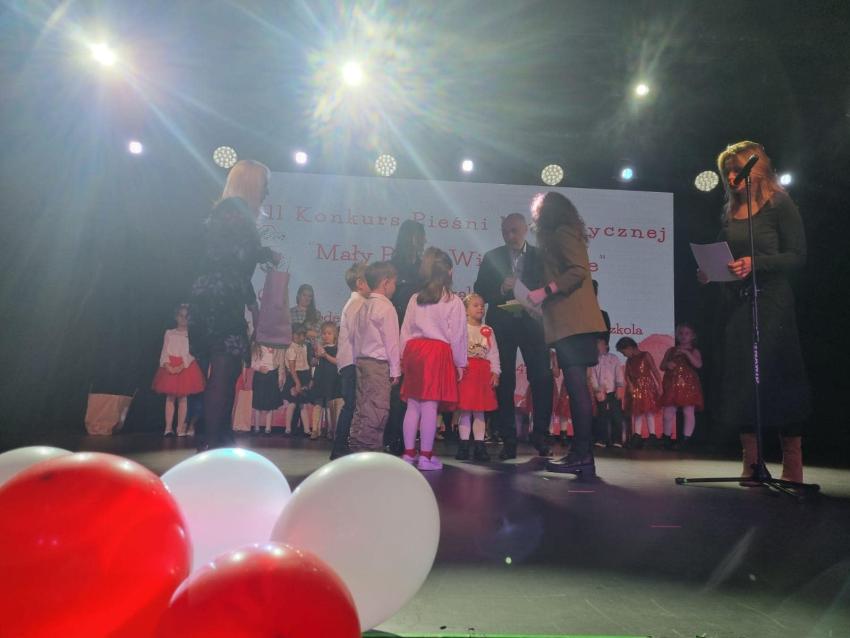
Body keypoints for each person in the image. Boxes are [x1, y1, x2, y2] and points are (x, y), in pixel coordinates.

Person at [700, 141, 811, 483]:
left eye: (737, 170)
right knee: (741, 379)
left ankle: (792, 461)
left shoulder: (780, 204)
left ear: (756, 168)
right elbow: (721, 252)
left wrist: (755, 263)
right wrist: (710, 271)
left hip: (772, 301)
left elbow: (797, 255)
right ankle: (751, 460)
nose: (732, 177)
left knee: (780, 375)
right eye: (727, 172)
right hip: (737, 303)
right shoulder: (730, 211)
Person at [188, 159, 280, 450]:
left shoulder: (224, 212)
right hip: (221, 301)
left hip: (211, 298)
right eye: (264, 185)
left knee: (223, 373)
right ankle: (214, 441)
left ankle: (215, 438)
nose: (267, 192)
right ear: (253, 185)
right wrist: (265, 254)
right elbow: (234, 259)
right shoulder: (236, 212)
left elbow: (228, 263)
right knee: (224, 372)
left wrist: (251, 301)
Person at [524, 192, 607, 476]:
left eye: (538, 211)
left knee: (577, 387)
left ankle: (583, 454)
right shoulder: (560, 234)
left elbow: (578, 271)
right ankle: (581, 453)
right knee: (575, 387)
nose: (535, 217)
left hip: (575, 323)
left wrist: (544, 291)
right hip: (568, 323)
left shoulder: (562, 233)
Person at [474, 213, 553, 460]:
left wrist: (534, 296)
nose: (510, 236)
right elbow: (479, 289)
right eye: (505, 232)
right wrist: (500, 288)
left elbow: (552, 287)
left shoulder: (541, 256)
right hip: (503, 324)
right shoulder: (492, 256)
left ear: (525, 229)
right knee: (504, 381)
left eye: (514, 231)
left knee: (542, 378)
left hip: (534, 324)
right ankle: (508, 439)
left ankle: (540, 435)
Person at [399, 248, 468, 470]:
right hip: (436, 354)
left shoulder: (415, 298)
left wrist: (402, 358)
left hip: (414, 351)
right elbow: (457, 335)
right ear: (448, 272)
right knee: (429, 406)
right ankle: (426, 456)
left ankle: (409, 453)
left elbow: (405, 331)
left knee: (413, 405)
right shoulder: (453, 301)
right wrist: (460, 363)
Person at [348, 261, 401, 452]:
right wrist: (395, 369)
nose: (395, 287)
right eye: (394, 283)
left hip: (362, 361)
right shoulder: (386, 308)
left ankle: (357, 443)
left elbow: (355, 336)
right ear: (385, 283)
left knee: (362, 406)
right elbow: (392, 342)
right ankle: (369, 448)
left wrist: (357, 359)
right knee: (378, 407)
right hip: (378, 364)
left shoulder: (364, 305)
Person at [386, 220, 427, 453]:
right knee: (395, 385)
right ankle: (393, 437)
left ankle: (407, 438)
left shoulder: (423, 268)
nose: (423, 241)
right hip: (396, 330)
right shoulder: (392, 266)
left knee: (412, 388)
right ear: (410, 237)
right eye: (420, 236)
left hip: (418, 333)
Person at [331, 263, 370, 459]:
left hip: (350, 360)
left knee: (352, 404)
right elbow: (357, 333)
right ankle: (340, 446)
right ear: (360, 283)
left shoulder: (357, 302)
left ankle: (343, 444)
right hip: (352, 361)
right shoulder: (357, 303)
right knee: (351, 404)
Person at [454, 293, 499, 461]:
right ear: (465, 310)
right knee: (465, 410)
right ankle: (464, 445)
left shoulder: (488, 330)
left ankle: (480, 446)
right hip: (467, 372)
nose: (480, 308)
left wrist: (496, 372)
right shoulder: (462, 328)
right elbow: (457, 350)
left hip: (483, 373)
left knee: (480, 411)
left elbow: (493, 353)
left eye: (482, 305)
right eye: (475, 305)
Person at [151, 303, 206, 436]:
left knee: (183, 398)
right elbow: (164, 351)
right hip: (170, 365)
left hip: (185, 367)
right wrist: (167, 365)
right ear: (176, 317)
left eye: (186, 317)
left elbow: (192, 353)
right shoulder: (169, 333)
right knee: (170, 398)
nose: (183, 319)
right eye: (181, 316)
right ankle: (168, 428)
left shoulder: (191, 334)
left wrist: (181, 366)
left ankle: (180, 428)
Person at [659, 323, 703, 450]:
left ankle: (686, 439)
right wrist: (668, 364)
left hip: (688, 385)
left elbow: (698, 364)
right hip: (672, 384)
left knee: (688, 411)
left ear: (693, 336)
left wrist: (686, 353)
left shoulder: (694, 351)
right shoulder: (671, 350)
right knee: (668, 411)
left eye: (687, 333)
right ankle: (666, 437)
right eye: (681, 333)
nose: (684, 336)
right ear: (677, 335)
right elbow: (662, 366)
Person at [616, 337, 662, 448]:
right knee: (637, 412)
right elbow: (627, 375)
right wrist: (631, 385)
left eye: (624, 352)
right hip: (635, 388)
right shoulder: (629, 361)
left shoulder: (645, 355)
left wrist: (660, 385)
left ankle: (652, 435)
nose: (624, 355)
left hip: (647, 388)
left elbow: (654, 370)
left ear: (629, 348)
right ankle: (637, 435)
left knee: (649, 411)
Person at [588, 336, 626, 448]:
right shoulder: (593, 360)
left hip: (613, 391)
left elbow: (619, 373)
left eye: (600, 344)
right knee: (602, 416)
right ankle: (601, 439)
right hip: (601, 391)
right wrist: (597, 390)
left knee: (616, 415)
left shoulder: (614, 358)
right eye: (597, 344)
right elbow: (592, 376)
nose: (598, 346)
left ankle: (617, 440)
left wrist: (619, 387)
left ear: (606, 346)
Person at [309, 321, 343, 440]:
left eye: (329, 333)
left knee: (330, 406)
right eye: (324, 333)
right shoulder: (320, 348)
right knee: (318, 404)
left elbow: (338, 362)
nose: (326, 336)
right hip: (320, 379)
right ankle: (315, 430)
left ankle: (330, 430)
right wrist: (315, 359)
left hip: (332, 380)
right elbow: (314, 363)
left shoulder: (337, 348)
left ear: (335, 335)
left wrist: (325, 356)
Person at [281, 324, 314, 436]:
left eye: (302, 335)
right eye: (296, 335)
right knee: (292, 404)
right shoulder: (291, 348)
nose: (300, 337)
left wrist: (310, 378)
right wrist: (297, 383)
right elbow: (292, 369)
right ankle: (288, 428)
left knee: (302, 405)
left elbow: (307, 364)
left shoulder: (305, 346)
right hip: (294, 376)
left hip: (304, 375)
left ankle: (306, 430)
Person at [249, 342, 285, 435]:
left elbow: (281, 363)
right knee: (258, 402)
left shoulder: (278, 345)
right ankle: (256, 427)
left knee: (270, 403)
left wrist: (280, 378)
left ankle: (268, 428)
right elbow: (252, 362)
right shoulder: (257, 345)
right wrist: (259, 368)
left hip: (272, 375)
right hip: (260, 376)